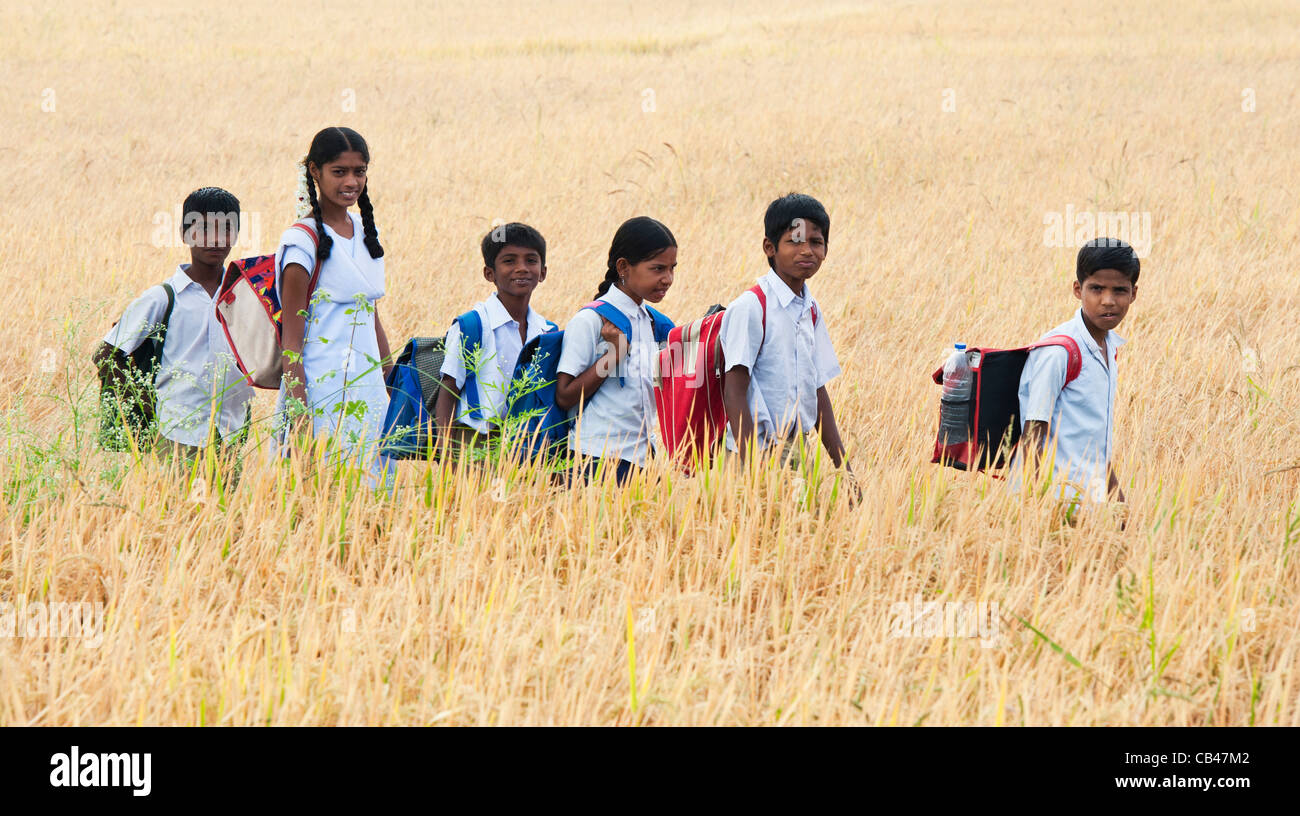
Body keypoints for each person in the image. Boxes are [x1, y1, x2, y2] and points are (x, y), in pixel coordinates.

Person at [95, 186, 254, 464]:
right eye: (203, 229)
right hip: (176, 432)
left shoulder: (243, 294)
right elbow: (106, 354)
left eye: (226, 229)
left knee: (226, 506)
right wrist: (147, 403)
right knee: (174, 506)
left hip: (230, 429)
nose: (215, 239)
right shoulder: (163, 297)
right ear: (185, 234)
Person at [275, 126, 393, 485]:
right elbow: (291, 343)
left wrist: (393, 384)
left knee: (374, 497)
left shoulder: (364, 230)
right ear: (315, 171)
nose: (351, 182)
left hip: (368, 390)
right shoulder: (301, 243)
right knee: (318, 496)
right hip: (320, 393)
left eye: (359, 171)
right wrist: (300, 419)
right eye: (339, 172)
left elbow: (370, 316)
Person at [720, 193, 853, 478]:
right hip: (751, 454)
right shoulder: (752, 307)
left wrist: (844, 469)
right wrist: (755, 472)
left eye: (816, 242)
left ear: (826, 249)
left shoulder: (810, 309)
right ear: (770, 247)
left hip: (797, 451)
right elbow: (733, 392)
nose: (807, 250)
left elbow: (816, 388)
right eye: (795, 241)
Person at [1015, 237, 1139, 503]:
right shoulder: (1059, 352)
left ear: (1133, 293)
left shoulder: (1108, 348)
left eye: (1119, 290)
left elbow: (1094, 443)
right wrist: (1032, 513)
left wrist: (1119, 508)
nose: (1108, 301)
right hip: (1054, 503)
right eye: (1096, 288)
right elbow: (1032, 435)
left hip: (1088, 508)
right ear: (1077, 289)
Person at [555, 216, 676, 484]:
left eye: (672, 269)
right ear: (624, 267)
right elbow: (565, 396)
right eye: (657, 269)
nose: (667, 279)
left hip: (643, 460)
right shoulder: (590, 321)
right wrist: (613, 356)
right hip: (596, 461)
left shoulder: (652, 322)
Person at [435, 222, 556, 457]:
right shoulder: (472, 326)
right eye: (509, 261)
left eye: (531, 260)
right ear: (489, 273)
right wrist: (445, 452)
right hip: (474, 442)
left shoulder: (547, 332)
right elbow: (448, 389)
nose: (521, 268)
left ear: (543, 272)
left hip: (527, 446)